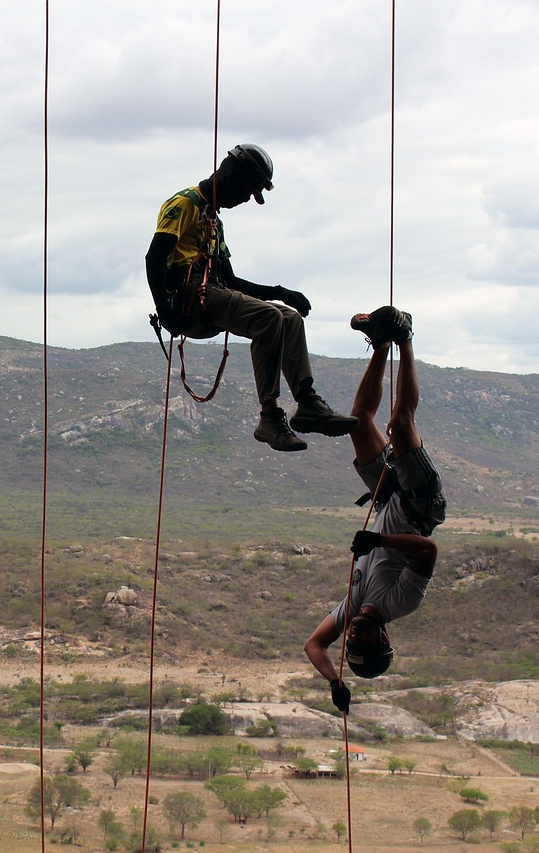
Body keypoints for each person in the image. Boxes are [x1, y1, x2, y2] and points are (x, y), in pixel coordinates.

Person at [145, 144, 356, 452]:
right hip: (189, 297)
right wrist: (163, 310)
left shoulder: (214, 221)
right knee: (268, 318)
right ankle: (269, 417)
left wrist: (279, 293)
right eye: (248, 191)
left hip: (214, 290)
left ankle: (308, 403)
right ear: (233, 176)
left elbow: (230, 280)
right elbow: (155, 256)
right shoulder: (185, 204)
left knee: (288, 317)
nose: (245, 200)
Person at [303, 306, 447, 714]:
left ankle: (380, 344)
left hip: (386, 498)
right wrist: (379, 539)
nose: (354, 636)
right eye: (364, 643)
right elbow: (427, 551)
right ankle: (404, 337)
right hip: (419, 506)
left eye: (351, 644)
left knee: (359, 421)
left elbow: (314, 644)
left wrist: (334, 681)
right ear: (383, 639)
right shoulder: (401, 603)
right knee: (400, 424)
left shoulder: (351, 609)